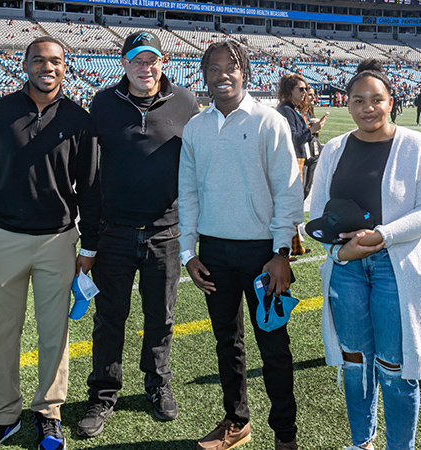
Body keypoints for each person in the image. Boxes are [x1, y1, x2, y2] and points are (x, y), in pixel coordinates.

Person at [178, 41, 303, 450]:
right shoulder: (196, 127)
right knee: (226, 343)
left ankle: (285, 435)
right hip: (214, 252)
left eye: (230, 67)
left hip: (262, 253)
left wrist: (281, 252)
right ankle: (237, 421)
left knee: (275, 348)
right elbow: (188, 193)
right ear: (204, 76)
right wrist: (189, 252)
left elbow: (288, 190)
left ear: (245, 72)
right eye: (212, 69)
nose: (222, 75)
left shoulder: (269, 121)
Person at [76, 31, 199, 437]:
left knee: (160, 317)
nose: (146, 68)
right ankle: (104, 393)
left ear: (163, 62)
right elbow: (90, 175)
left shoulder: (185, 102)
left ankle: (157, 383)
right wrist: (90, 236)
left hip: (166, 232)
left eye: (153, 60)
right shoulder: (104, 103)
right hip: (114, 233)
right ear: (124, 63)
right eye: (138, 60)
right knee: (109, 318)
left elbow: (198, 169)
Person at [0, 37, 100, 450]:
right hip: (3, 238)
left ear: (66, 67)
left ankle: (49, 412)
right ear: (25, 63)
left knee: (54, 333)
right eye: (38, 60)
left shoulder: (79, 120)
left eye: (55, 61)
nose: (47, 67)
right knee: (3, 333)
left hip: (57, 241)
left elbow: (89, 187)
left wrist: (89, 246)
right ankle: (4, 415)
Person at [310, 59, 421, 450]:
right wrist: (339, 250)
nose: (368, 108)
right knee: (355, 364)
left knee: (396, 371)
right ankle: (362, 442)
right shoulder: (334, 148)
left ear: (390, 101)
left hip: (396, 270)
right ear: (348, 104)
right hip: (345, 267)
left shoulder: (415, 146)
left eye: (376, 100)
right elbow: (317, 213)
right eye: (359, 100)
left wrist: (381, 235)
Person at [277, 74, 328, 256]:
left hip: (300, 157)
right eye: (301, 89)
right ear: (290, 91)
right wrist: (311, 130)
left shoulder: (294, 109)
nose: (305, 92)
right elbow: (293, 138)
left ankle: (295, 246)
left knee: (296, 202)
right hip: (293, 159)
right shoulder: (286, 110)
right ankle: (286, 249)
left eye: (306, 89)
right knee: (290, 205)